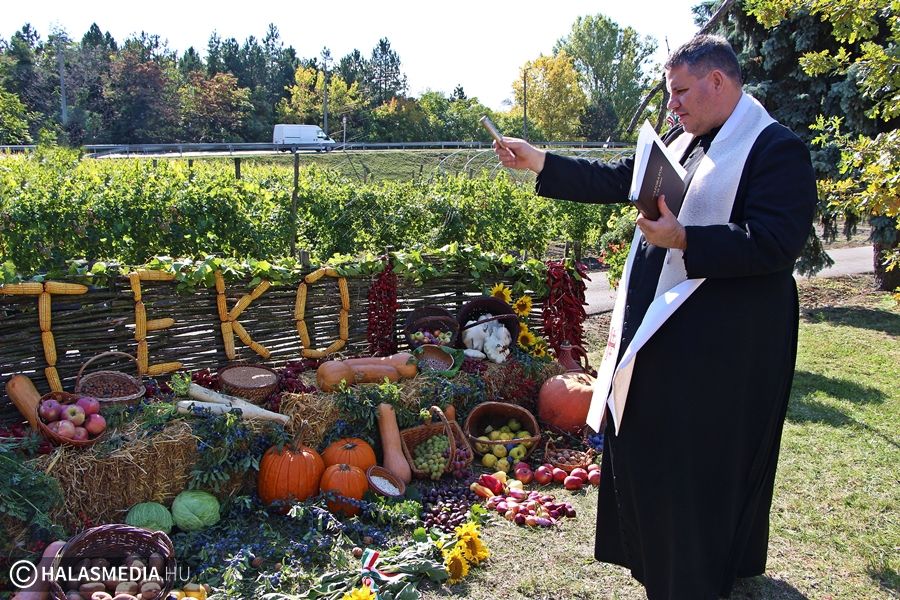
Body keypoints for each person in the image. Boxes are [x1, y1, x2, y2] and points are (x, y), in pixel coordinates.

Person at [494, 35, 817, 599]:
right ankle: (660, 562)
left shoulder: (773, 149)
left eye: (681, 91)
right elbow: (624, 179)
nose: (673, 105)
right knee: (649, 444)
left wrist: (686, 238)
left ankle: (698, 571)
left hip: (726, 343)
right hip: (664, 331)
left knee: (699, 457)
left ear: (718, 82)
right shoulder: (686, 138)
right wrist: (540, 160)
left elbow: (775, 241)